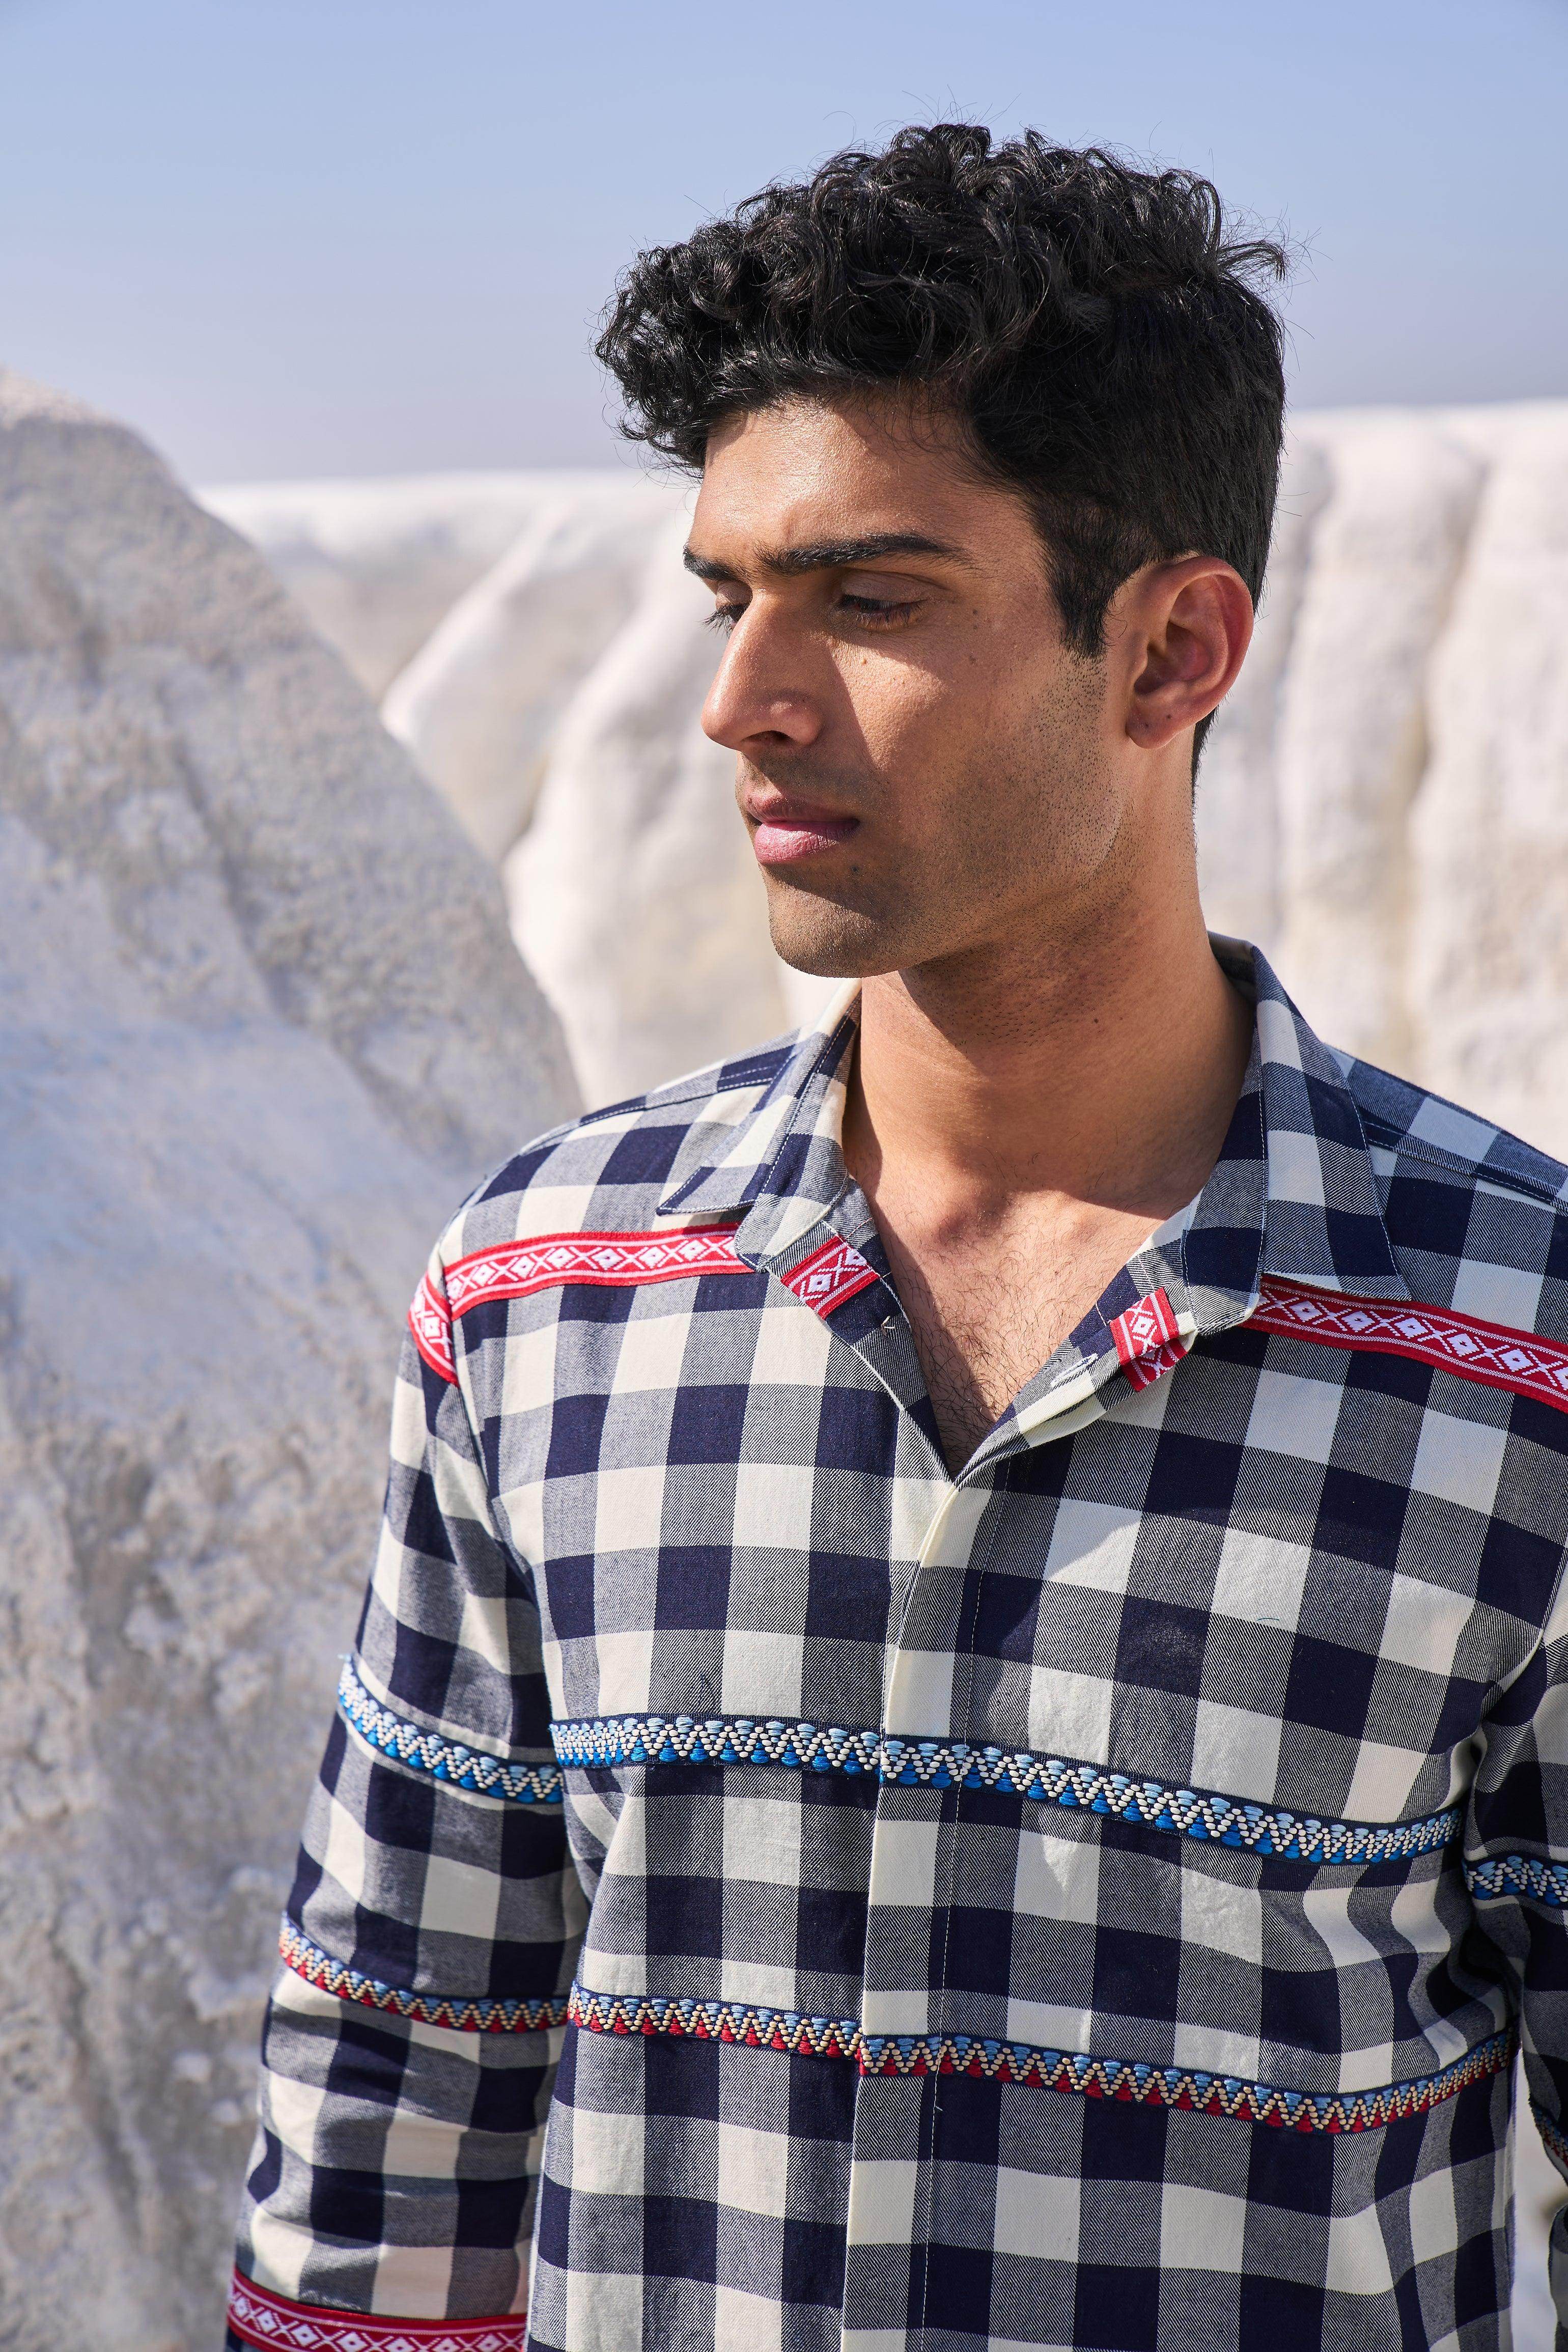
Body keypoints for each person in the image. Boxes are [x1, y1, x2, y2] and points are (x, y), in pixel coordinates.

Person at [227, 125, 1568, 2352]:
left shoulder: (1513, 1345)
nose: (742, 698)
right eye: (728, 595)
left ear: (1169, 651)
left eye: (866, 600)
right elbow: (397, 2089)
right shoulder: (545, 1295)